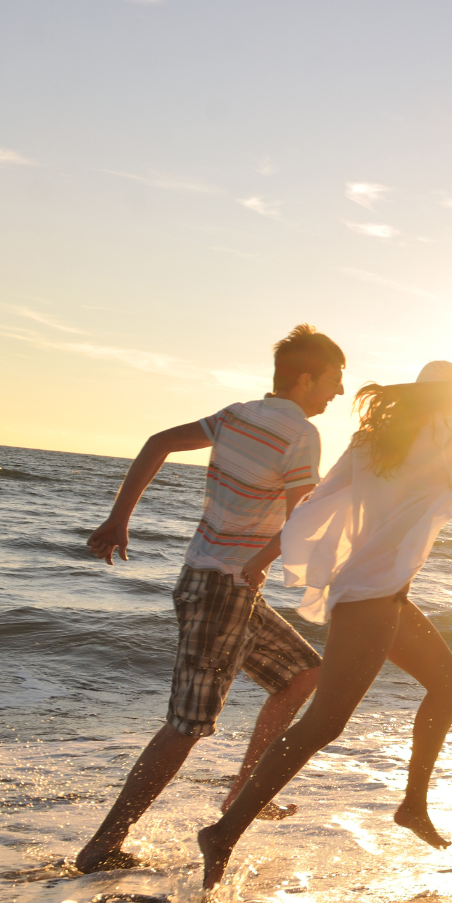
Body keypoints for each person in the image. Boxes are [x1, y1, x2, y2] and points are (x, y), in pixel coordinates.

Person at [196, 361, 452, 898]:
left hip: (368, 591)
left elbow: (316, 502)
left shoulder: (370, 440)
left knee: (448, 685)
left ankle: (413, 805)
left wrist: (275, 555)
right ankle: (223, 833)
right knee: (323, 725)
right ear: (449, 401)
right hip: (373, 598)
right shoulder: (447, 439)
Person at [74, 325, 344, 874]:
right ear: (305, 377)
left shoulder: (237, 414)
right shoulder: (300, 434)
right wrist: (261, 561)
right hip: (223, 588)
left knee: (303, 676)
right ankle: (102, 847)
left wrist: (119, 518)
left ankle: (246, 793)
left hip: (220, 585)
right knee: (187, 725)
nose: (336, 394)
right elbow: (303, 521)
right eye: (334, 381)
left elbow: (157, 443)